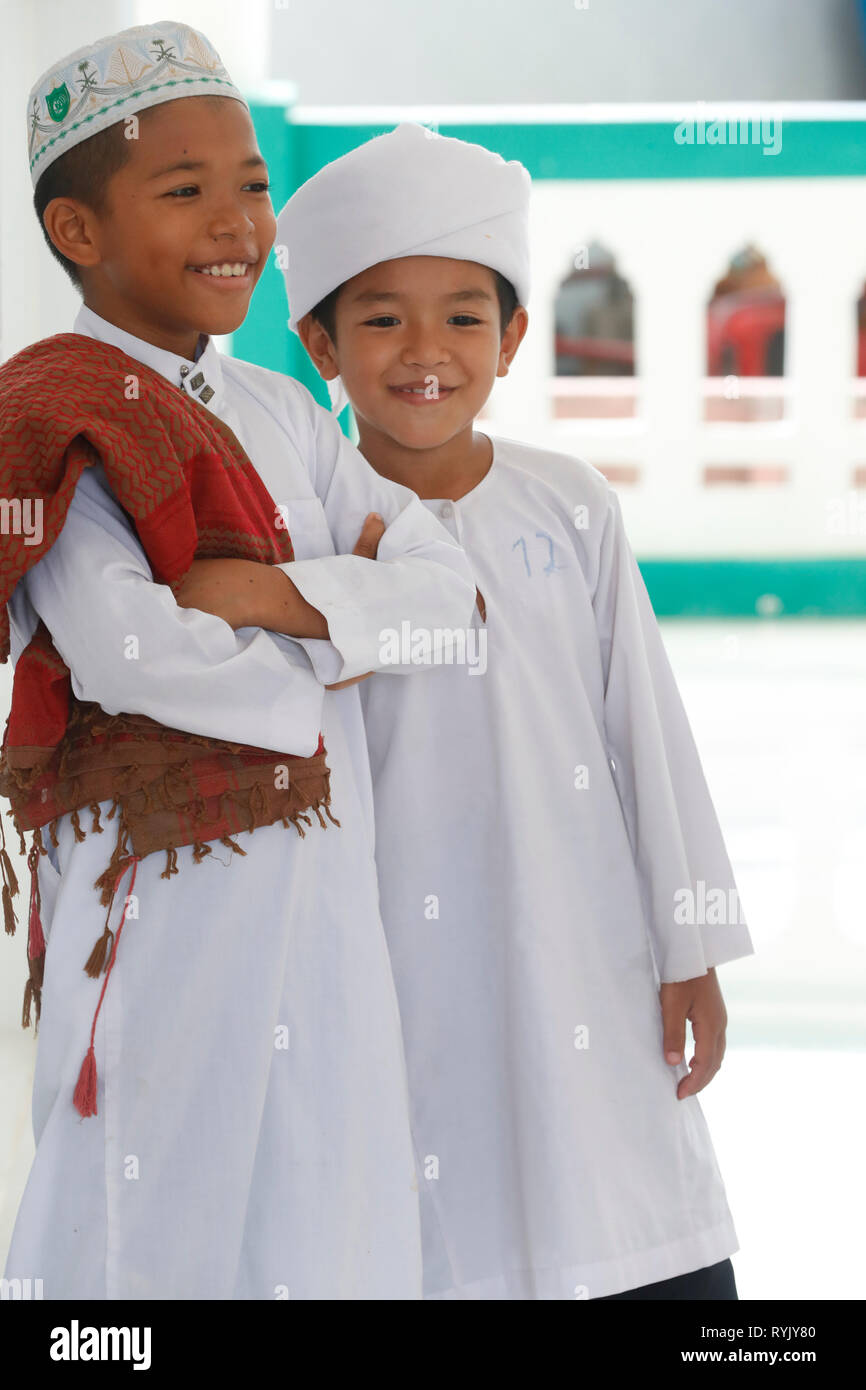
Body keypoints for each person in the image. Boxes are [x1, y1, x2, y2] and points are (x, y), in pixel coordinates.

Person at [0, 31, 476, 1300]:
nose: (236, 222)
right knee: (148, 1187)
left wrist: (270, 598)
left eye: (253, 185)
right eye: (184, 189)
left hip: (317, 877)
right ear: (78, 229)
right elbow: (135, 654)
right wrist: (340, 641)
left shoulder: (275, 409)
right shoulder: (56, 415)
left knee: (323, 1174)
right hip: (154, 893)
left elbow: (447, 600)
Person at [268, 121, 755, 1299]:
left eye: (463, 317)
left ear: (515, 336)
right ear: (319, 342)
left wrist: (688, 946)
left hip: (576, 931)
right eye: (380, 318)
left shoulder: (568, 503)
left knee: (613, 1189)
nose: (423, 350)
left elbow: (646, 729)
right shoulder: (304, 522)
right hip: (386, 948)